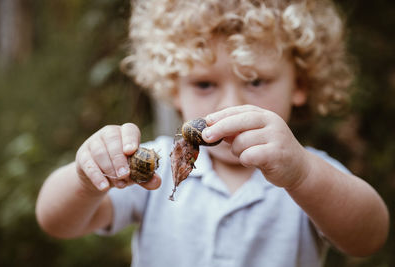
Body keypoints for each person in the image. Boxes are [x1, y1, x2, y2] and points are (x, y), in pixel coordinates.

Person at [35, 0, 389, 266]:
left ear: (301, 82)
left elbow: (369, 237)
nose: (228, 105)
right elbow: (56, 221)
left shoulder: (308, 175)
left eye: (255, 80)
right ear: (174, 88)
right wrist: (85, 178)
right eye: (204, 84)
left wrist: (304, 174)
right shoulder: (155, 168)